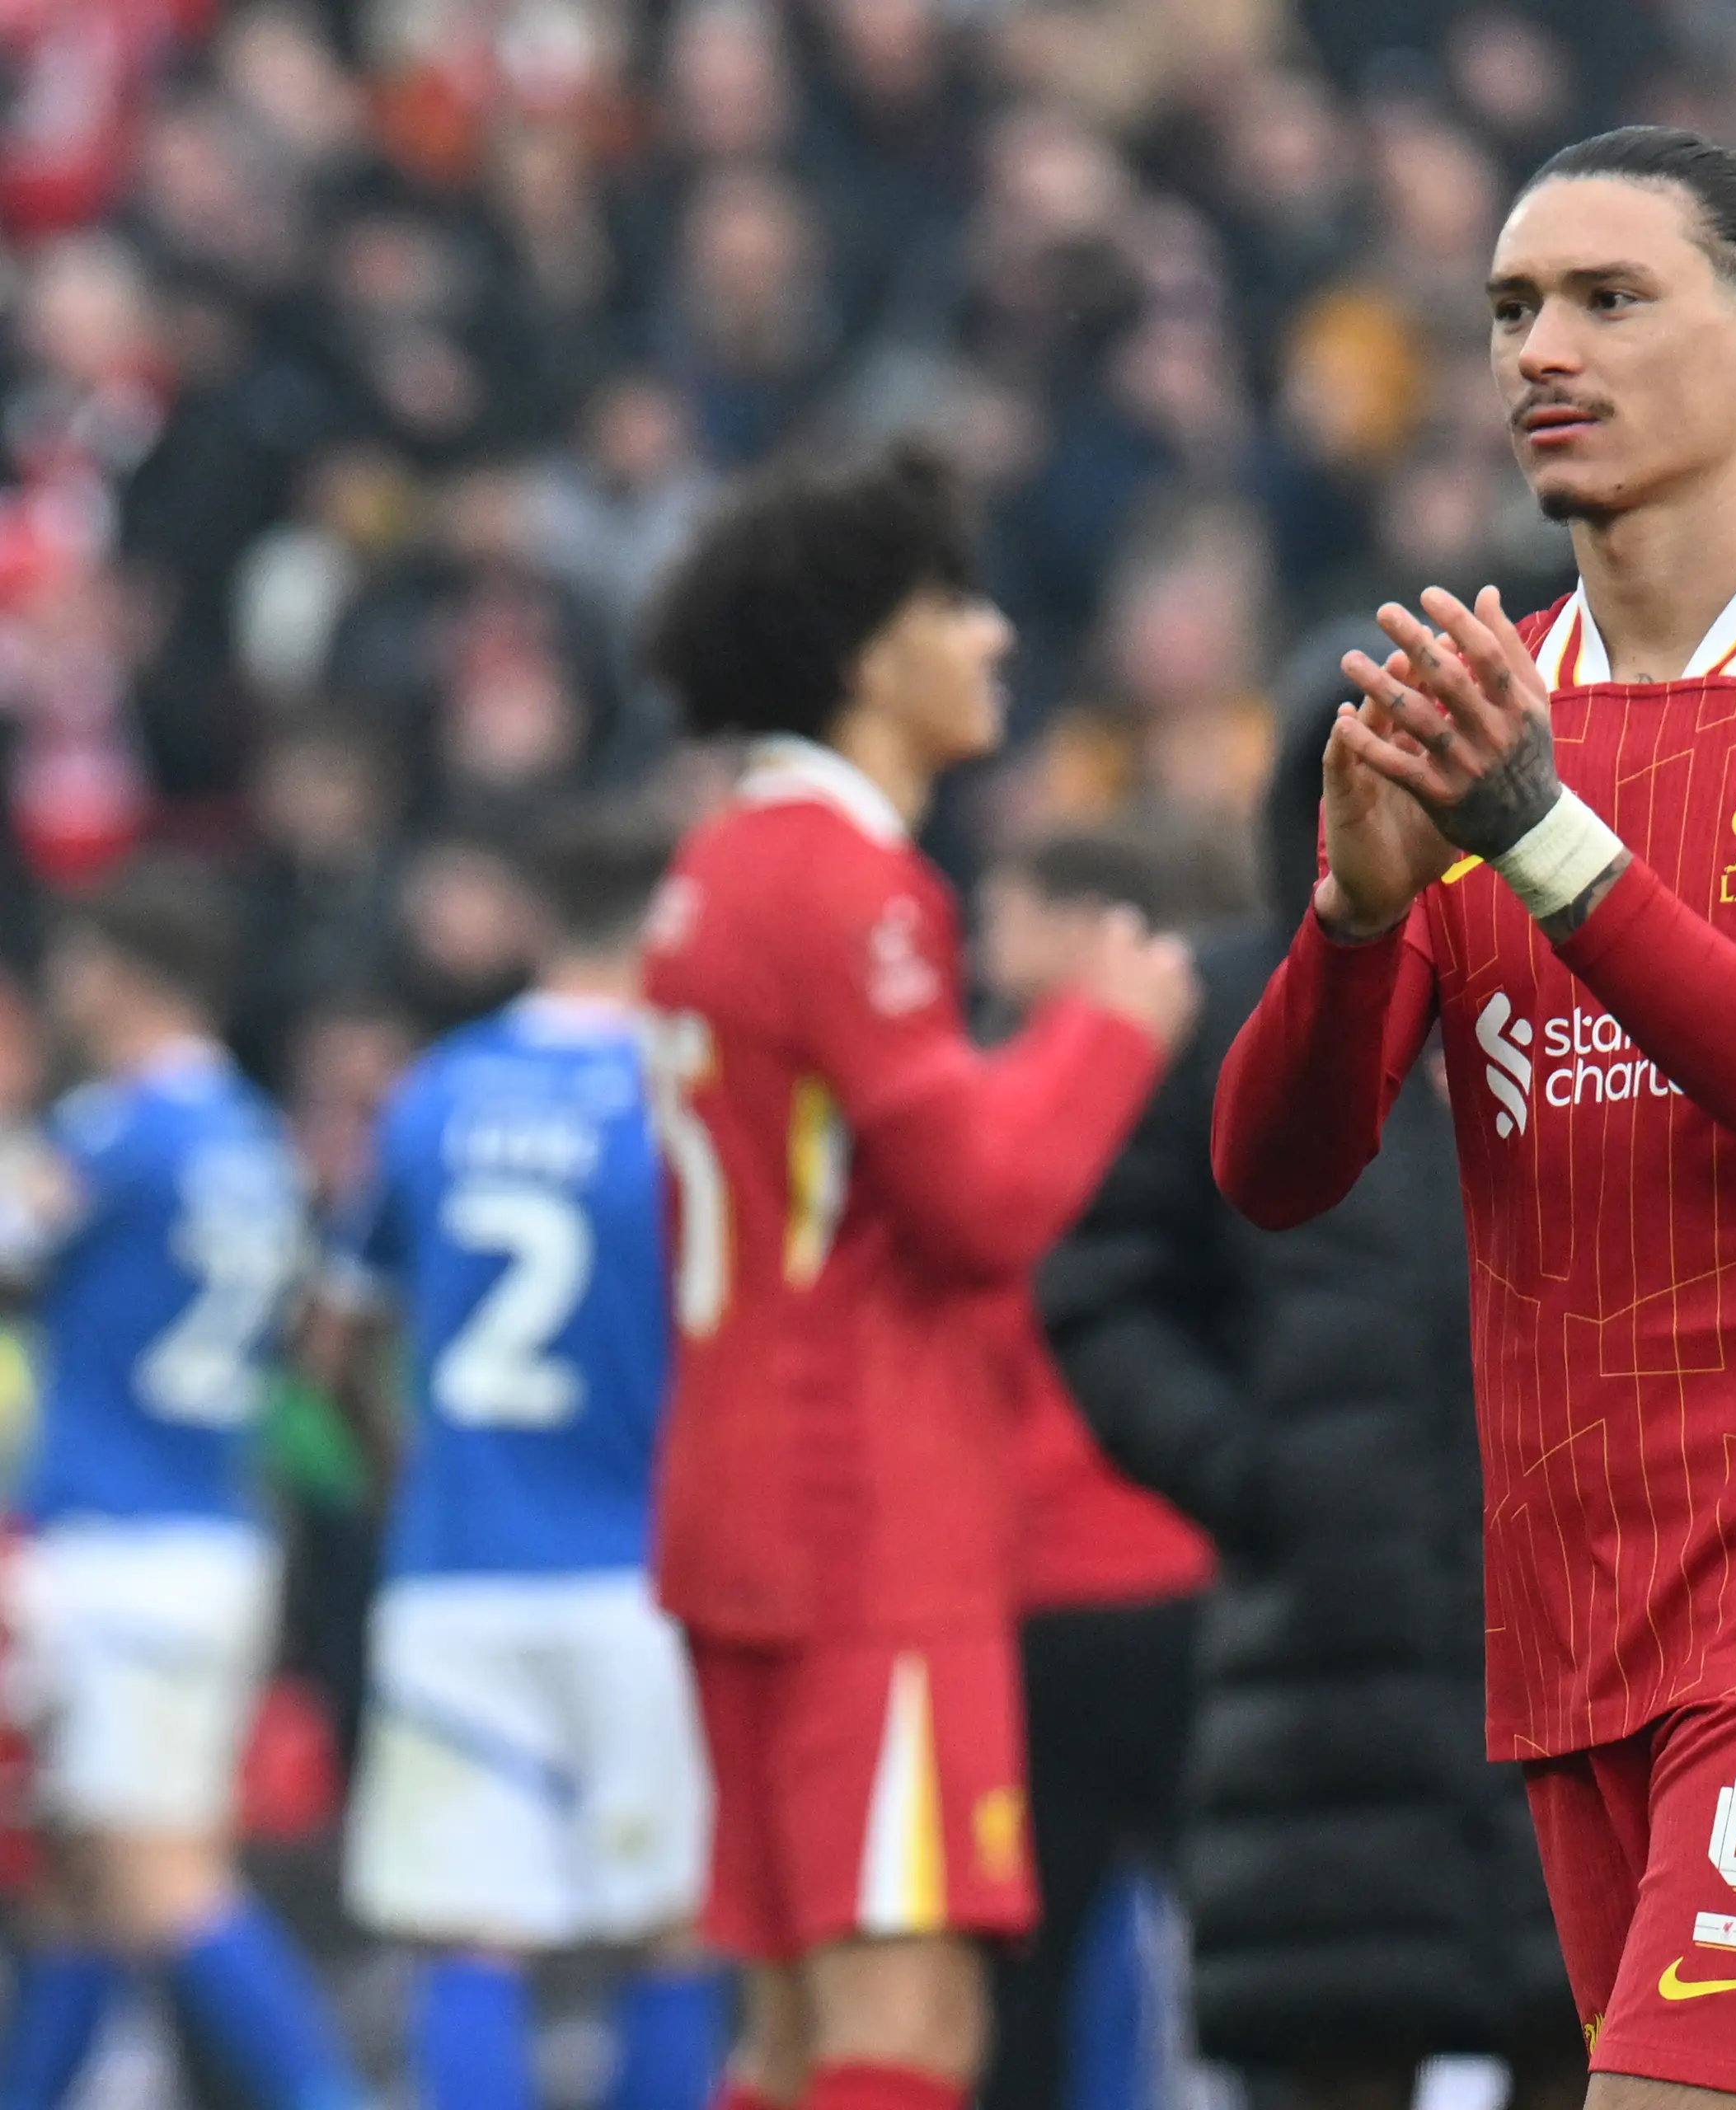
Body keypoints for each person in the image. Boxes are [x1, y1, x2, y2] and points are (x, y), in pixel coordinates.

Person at [1210, 129, 1736, 2110]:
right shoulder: (1485, 696)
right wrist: (1351, 921)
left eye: (1611, 299)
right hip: (1583, 1597)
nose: (1543, 349)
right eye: (1515, 307)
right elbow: (1277, 1170)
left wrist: (1541, 837)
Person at [634, 443, 1199, 2110]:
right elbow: (982, 1203)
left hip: (742, 1486)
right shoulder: (845, 876)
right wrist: (1107, 1030)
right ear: (874, 651)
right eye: (957, 602)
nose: (997, 637)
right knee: (910, 2025)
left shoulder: (720, 862)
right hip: (863, 1508)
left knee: (796, 2029)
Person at [1044, 680, 1575, 2110]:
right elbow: (1096, 1289)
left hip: (1559, 1627)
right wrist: (1246, 1472)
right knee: (1330, 2053)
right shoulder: (1229, 1009)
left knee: (1584, 2046)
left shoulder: (1559, 987)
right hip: (1321, 1657)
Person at [297, 805, 722, 2110]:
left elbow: (330, 1341)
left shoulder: (436, 1091)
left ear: (541, 920)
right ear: (672, 925)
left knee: (469, 1930)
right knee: (675, 1928)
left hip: (455, 1571)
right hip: (642, 1573)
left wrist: (405, 1463)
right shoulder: (689, 1098)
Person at [0, 857, 364, 2110]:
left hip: (126, 1538)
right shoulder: (253, 1134)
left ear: (114, 974)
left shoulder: (120, 1130)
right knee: (71, 1885)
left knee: (160, 1877)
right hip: (205, 1523)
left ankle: (331, 2096)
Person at [969, 832, 1217, 2110]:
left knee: (1024, 1970)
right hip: (1193, 1572)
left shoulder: (1017, 1108)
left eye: (1007, 904)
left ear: (1087, 925)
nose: (978, 930)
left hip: (1044, 1598)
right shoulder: (1227, 1089)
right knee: (1227, 1959)